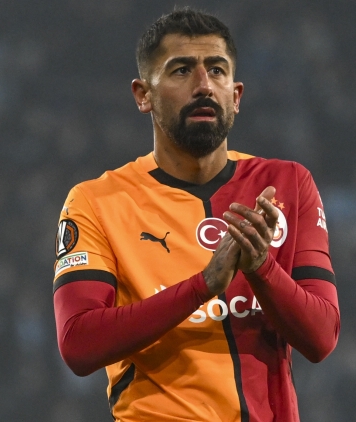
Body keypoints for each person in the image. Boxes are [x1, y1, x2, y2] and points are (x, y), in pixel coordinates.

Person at [52, 8, 340, 421]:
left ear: (236, 96)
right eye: (182, 70)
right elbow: (78, 344)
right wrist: (202, 286)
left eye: (217, 70)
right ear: (143, 95)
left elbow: (322, 337)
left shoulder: (288, 184)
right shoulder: (97, 202)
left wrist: (261, 267)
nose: (204, 85)